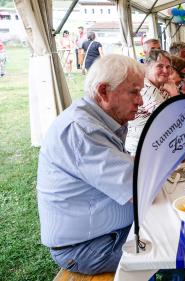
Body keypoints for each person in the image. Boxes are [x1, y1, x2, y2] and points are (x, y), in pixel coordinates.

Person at [37, 54, 144, 274]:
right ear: (103, 91)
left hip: (102, 234)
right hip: (88, 247)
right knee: (174, 249)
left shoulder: (96, 117)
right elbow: (140, 187)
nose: (140, 100)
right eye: (134, 92)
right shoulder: (81, 129)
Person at [125, 50, 177, 155]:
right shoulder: (147, 89)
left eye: (168, 67)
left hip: (155, 145)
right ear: (148, 67)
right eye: (160, 66)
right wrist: (174, 93)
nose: (165, 71)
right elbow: (173, 120)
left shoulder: (160, 86)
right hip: (140, 151)